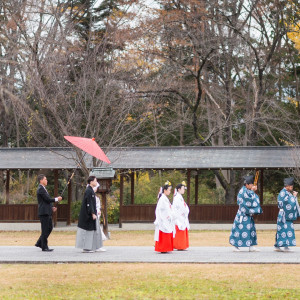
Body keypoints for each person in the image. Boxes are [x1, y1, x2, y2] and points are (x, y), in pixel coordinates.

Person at [229, 175, 263, 252]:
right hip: (242, 215)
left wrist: (252, 191)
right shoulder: (243, 191)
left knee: (251, 230)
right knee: (239, 230)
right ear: (247, 184)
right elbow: (249, 200)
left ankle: (251, 246)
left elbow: (252, 197)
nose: (252, 186)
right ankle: (235, 246)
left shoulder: (248, 190)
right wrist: (252, 191)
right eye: (251, 184)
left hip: (248, 215)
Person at [35, 174, 62, 251]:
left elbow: (46, 202)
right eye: (45, 179)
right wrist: (57, 199)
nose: (47, 180)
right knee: (45, 229)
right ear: (41, 180)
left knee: (49, 228)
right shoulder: (40, 189)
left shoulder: (43, 189)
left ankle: (39, 242)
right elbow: (47, 199)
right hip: (44, 213)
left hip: (47, 212)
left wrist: (51, 207)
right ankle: (44, 246)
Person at [274, 177, 299, 252]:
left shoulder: (286, 193)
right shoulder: (283, 193)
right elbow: (288, 204)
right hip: (284, 214)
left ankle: (278, 246)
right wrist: (294, 197)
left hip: (285, 214)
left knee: (282, 229)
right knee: (285, 229)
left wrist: (293, 197)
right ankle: (285, 246)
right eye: (291, 186)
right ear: (287, 186)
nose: (291, 188)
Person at [76, 176, 100, 253]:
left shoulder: (91, 190)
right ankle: (86, 248)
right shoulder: (88, 191)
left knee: (91, 230)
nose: (96, 182)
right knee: (87, 230)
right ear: (91, 182)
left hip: (89, 213)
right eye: (95, 181)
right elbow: (89, 203)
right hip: (87, 214)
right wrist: (92, 213)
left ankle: (90, 247)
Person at [154, 181, 175, 253]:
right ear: (165, 190)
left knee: (167, 232)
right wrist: (166, 217)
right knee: (164, 232)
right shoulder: (162, 199)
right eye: (169, 190)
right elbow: (160, 210)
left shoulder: (165, 199)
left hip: (167, 219)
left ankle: (166, 247)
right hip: (164, 219)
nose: (170, 192)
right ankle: (163, 248)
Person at [172, 181, 190, 250]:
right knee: (179, 230)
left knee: (182, 230)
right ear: (179, 189)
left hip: (182, 217)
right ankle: (179, 245)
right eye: (183, 188)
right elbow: (178, 208)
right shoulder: (177, 198)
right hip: (179, 217)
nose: (184, 190)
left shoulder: (180, 197)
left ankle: (182, 245)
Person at [94, 183, 106, 252]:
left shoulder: (96, 198)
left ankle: (98, 245)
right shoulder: (90, 195)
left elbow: (98, 206)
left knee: (97, 230)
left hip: (96, 214)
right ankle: (96, 246)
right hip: (93, 215)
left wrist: (98, 210)